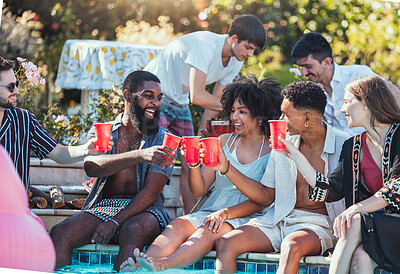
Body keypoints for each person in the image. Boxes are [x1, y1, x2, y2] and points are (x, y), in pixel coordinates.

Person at [119, 77, 283, 272]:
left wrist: (225, 209)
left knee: (208, 231)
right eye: (232, 111)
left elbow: (264, 199)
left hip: (247, 217)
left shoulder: (271, 150)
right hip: (212, 211)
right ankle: (139, 266)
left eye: (242, 112)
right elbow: (198, 190)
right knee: (178, 224)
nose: (234, 118)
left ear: (260, 116)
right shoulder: (223, 141)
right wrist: (194, 163)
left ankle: (162, 265)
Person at [205, 81, 349, 274]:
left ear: (308, 118)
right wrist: (226, 170)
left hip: (319, 224)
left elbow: (342, 193)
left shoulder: (344, 146)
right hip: (279, 218)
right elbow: (266, 195)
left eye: (286, 115)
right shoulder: (284, 142)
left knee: (291, 246)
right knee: (226, 242)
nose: (280, 119)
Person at [50, 71, 176, 271]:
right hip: (105, 206)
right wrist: (139, 155)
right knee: (60, 233)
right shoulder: (103, 131)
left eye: (159, 98)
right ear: (127, 96)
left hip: (148, 211)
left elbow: (152, 192)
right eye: (148, 96)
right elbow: (91, 167)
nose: (156, 103)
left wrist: (116, 221)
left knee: (131, 230)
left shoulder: (163, 139)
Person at [145, 14, 267, 214]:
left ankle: (190, 218)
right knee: (159, 157)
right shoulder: (206, 45)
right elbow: (199, 96)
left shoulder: (236, 60)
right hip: (157, 96)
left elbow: (216, 102)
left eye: (254, 50)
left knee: (190, 161)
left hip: (179, 99)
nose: (250, 54)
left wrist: (204, 130)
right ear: (234, 38)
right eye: (248, 47)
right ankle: (150, 213)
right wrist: (242, 111)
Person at [278, 75, 400, 273]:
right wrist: (295, 155)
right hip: (375, 229)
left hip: (392, 225)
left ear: (366, 103)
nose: (342, 110)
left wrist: (355, 209)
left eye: (346, 102)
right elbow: (329, 190)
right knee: (361, 257)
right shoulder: (352, 146)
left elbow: (397, 187)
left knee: (354, 220)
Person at [0, 55, 109, 191]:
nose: (16, 91)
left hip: (16, 209)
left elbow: (59, 153)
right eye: (10, 87)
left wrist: (86, 149)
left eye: (16, 84)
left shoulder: (24, 119)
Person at [291, 32, 400, 136]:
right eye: (301, 67)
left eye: (308, 66)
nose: (304, 73)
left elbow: (396, 97)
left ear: (327, 62)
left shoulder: (358, 74)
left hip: (371, 148)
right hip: (339, 152)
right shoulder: (314, 90)